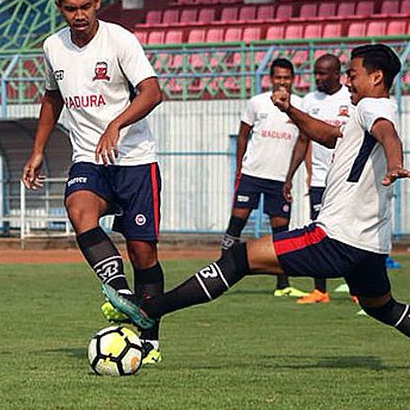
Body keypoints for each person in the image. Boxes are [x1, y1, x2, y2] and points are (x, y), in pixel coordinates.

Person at [104, 44, 410, 344]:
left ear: (376, 77)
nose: (347, 81)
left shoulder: (374, 108)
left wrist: (396, 162)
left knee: (238, 258)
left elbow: (388, 134)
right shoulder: (371, 110)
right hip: (370, 246)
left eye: (352, 74)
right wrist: (289, 108)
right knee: (382, 308)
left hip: (336, 238)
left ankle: (149, 309)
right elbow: (330, 135)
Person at [20, 0, 164, 363]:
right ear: (59, 7)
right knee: (78, 207)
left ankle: (149, 341)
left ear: (98, 2)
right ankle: (119, 290)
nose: (79, 15)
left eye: (85, 6)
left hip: (135, 159)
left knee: (143, 254)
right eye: (70, 8)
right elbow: (52, 98)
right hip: (88, 155)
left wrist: (117, 124)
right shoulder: (53, 46)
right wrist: (37, 151)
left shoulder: (120, 40)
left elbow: (153, 91)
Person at [222, 58, 308, 298]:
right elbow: (242, 136)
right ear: (270, 79)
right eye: (278, 77)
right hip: (252, 174)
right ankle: (217, 274)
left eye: (286, 77)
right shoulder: (256, 103)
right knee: (236, 224)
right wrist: (240, 168)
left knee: (281, 233)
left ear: (293, 79)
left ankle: (283, 285)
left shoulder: (299, 105)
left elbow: (304, 142)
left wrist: (292, 176)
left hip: (280, 179)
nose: (282, 81)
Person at [283, 54, 353, 304]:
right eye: (316, 73)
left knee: (350, 231)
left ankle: (356, 289)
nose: (319, 78)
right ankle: (320, 291)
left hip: (347, 179)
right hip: (320, 180)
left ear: (337, 74)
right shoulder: (311, 100)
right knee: (318, 231)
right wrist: (289, 177)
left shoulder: (351, 98)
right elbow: (303, 140)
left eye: (323, 73)